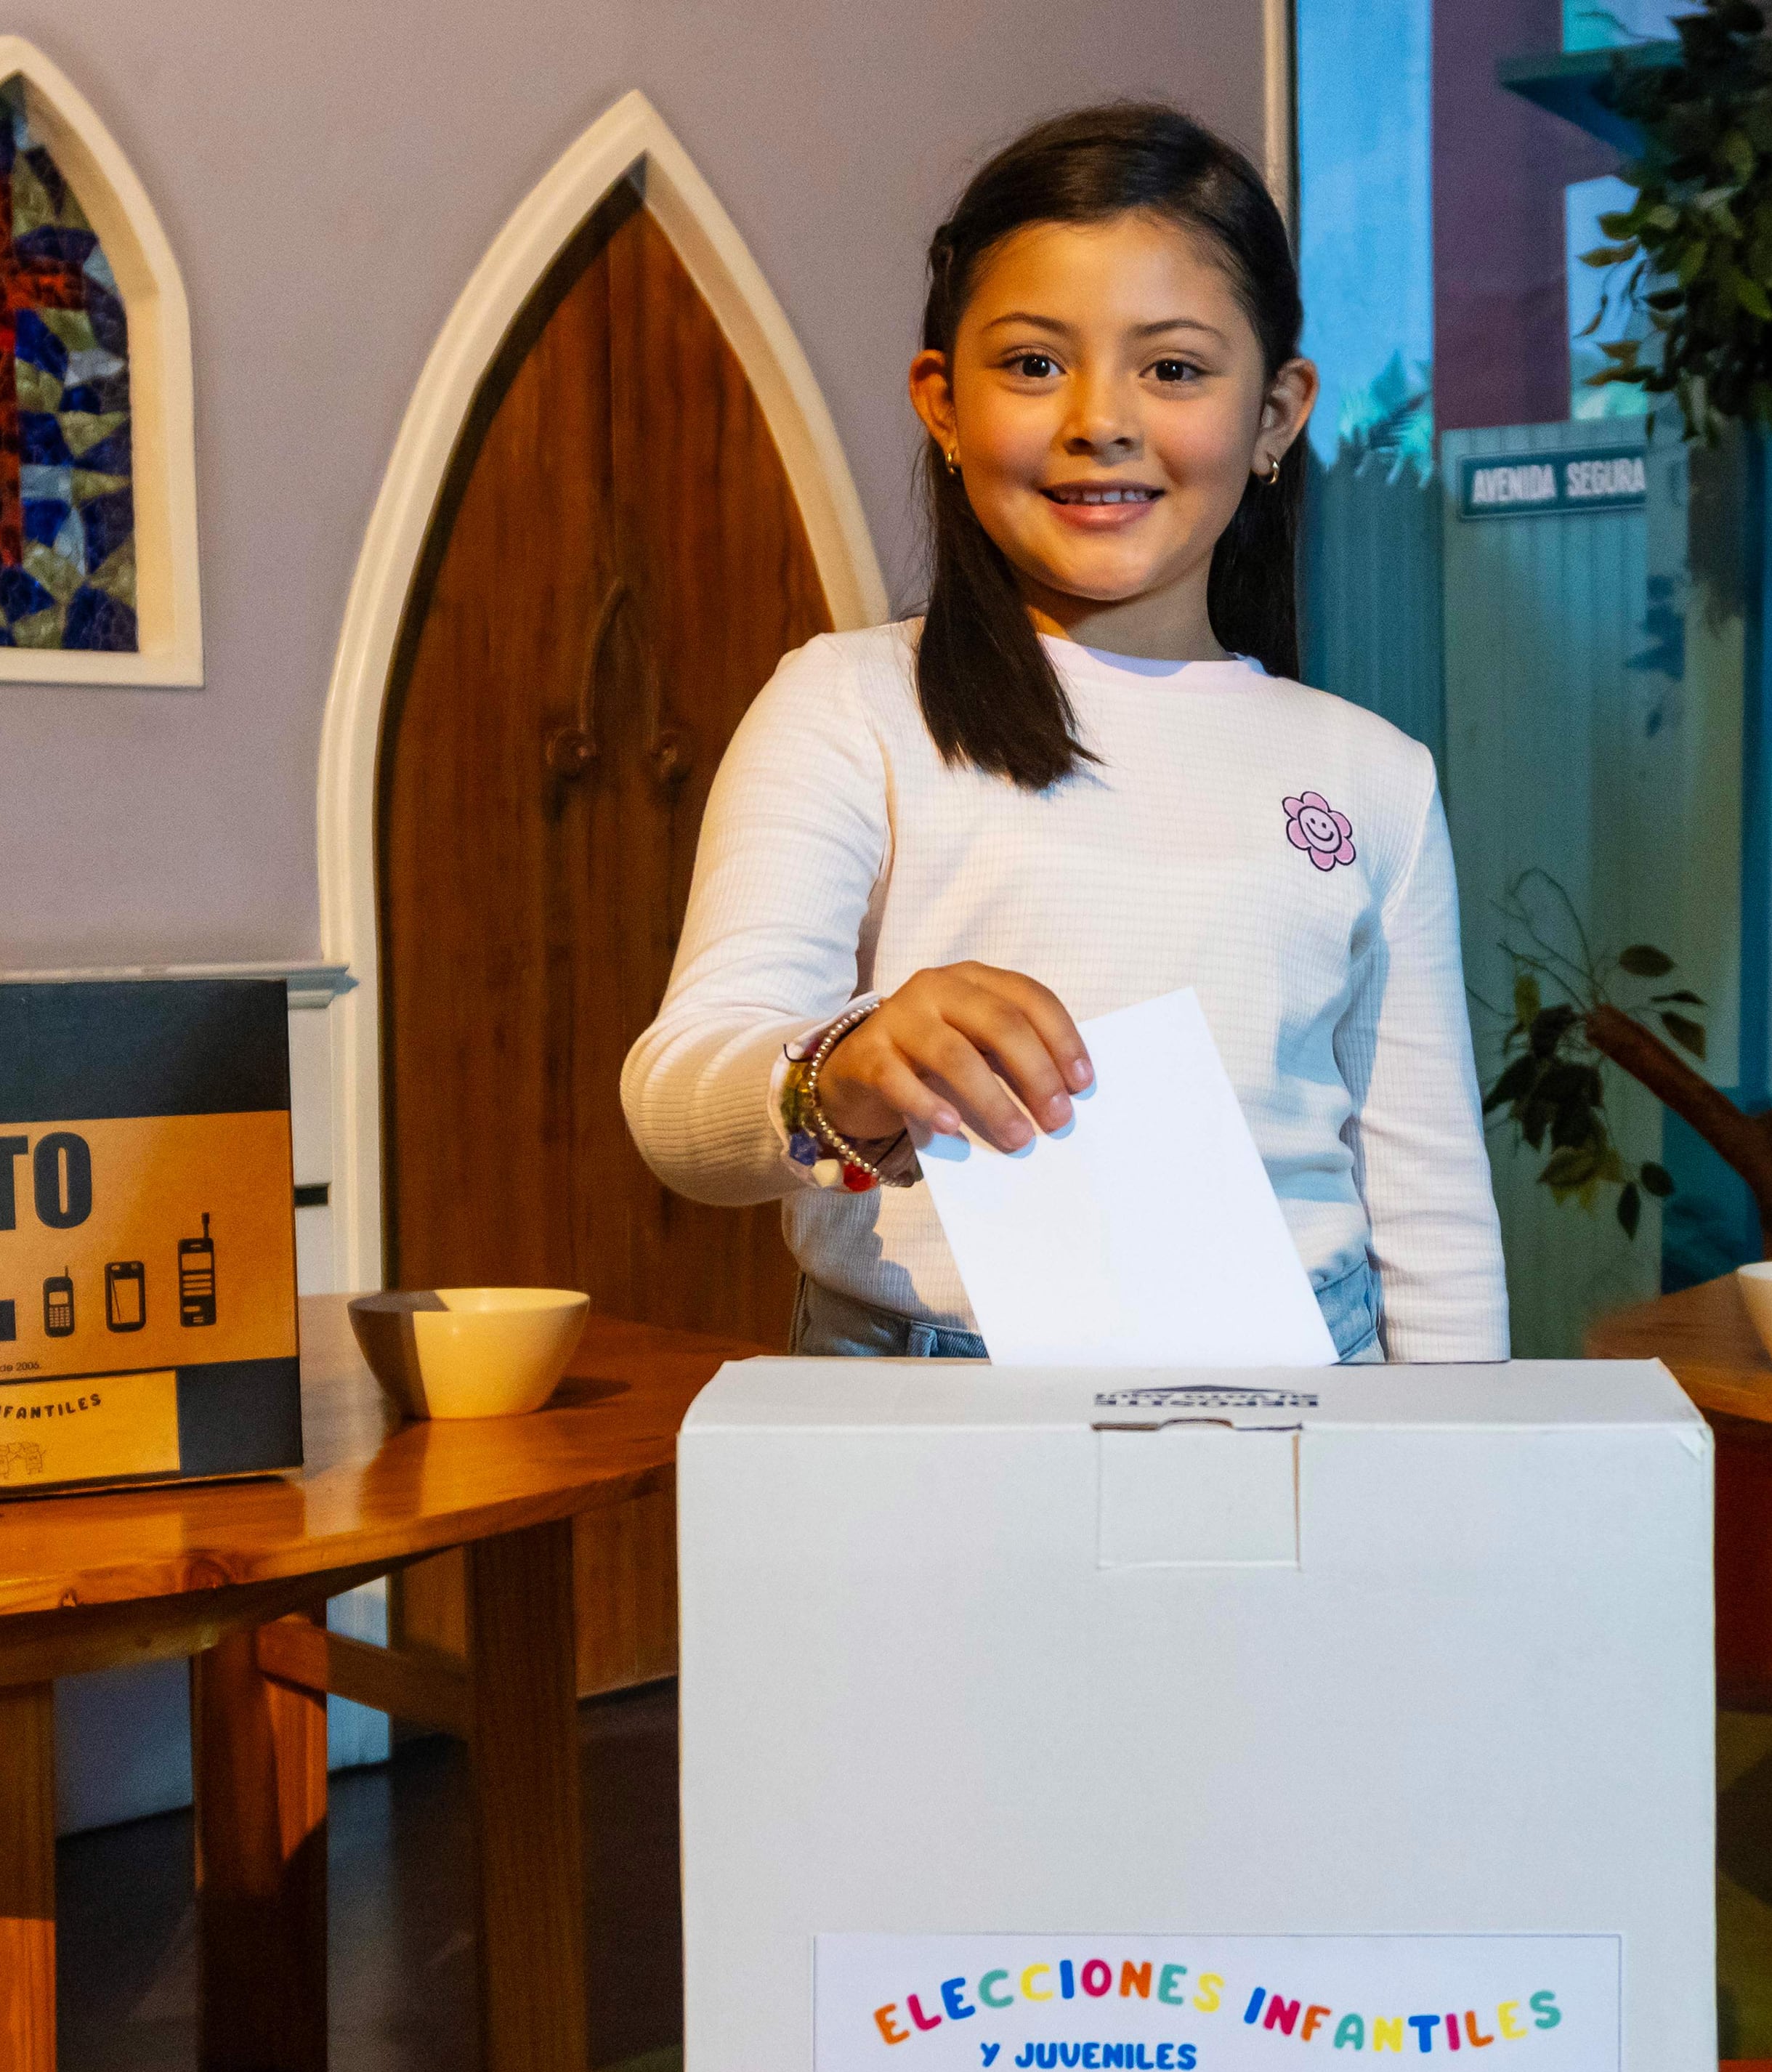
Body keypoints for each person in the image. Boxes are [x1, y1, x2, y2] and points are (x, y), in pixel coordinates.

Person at [621, 102, 1507, 1364]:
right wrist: (849, 1067)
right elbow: (677, 1099)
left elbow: (1430, 1219)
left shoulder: (1371, 775)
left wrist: (1462, 1502)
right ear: (942, 401)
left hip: (1311, 1402)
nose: (1102, 417)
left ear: (1276, 413)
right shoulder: (850, 705)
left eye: (1176, 368)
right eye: (1035, 364)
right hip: (923, 1405)